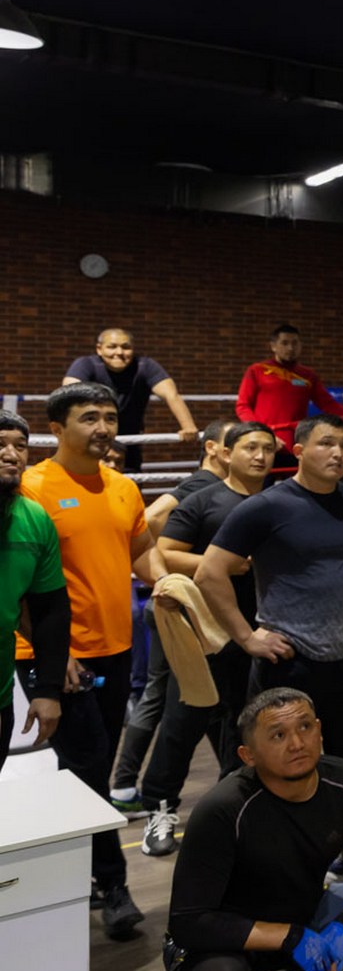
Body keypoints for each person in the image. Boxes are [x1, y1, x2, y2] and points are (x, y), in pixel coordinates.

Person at [15, 382, 162, 939]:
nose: (103, 427)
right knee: (90, 764)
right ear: (56, 429)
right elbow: (19, 583)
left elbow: (141, 550)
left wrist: (166, 582)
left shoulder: (123, 487)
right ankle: (113, 885)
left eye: (109, 417)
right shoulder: (31, 488)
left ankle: (71, 870)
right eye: (89, 418)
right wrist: (56, 654)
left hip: (117, 648)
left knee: (85, 767)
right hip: (57, 656)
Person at [162, 687, 343, 971]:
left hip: (303, 917)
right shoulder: (222, 809)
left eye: (305, 727)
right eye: (278, 735)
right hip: (232, 935)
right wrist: (290, 936)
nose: (297, 743)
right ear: (248, 755)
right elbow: (188, 922)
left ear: (319, 730)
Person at [195, 414, 343, 763]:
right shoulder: (266, 507)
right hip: (289, 661)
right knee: (284, 763)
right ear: (299, 451)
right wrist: (246, 637)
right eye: (326, 443)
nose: (338, 453)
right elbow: (209, 573)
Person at [137, 421, 278, 858]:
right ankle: (160, 808)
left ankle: (233, 807)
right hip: (204, 632)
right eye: (250, 447)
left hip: (263, 632)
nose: (260, 456)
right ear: (227, 454)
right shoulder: (204, 500)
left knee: (246, 723)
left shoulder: (281, 501)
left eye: (268, 449)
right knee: (183, 722)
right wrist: (220, 564)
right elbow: (165, 552)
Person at [112, 418, 237, 814]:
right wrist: (170, 574)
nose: (246, 451)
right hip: (179, 608)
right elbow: (149, 520)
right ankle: (131, 788)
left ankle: (130, 786)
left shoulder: (223, 490)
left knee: (202, 699)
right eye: (235, 442)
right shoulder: (203, 486)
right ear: (213, 449)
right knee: (173, 700)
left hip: (184, 607)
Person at [0, 410, 69, 773]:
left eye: (21, 445)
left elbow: (50, 611)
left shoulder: (35, 518)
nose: (12, 454)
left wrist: (47, 689)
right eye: (0, 444)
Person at [63, 327, 199, 471]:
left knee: (130, 479)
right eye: (112, 347)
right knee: (85, 478)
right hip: (92, 436)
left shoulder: (145, 366)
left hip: (130, 439)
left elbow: (171, 394)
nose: (119, 352)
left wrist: (188, 426)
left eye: (125, 347)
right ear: (99, 349)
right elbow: (69, 393)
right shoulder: (86, 364)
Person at [235, 324, 343, 468]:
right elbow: (243, 406)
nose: (290, 348)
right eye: (285, 343)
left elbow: (327, 403)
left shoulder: (308, 375)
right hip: (265, 444)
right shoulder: (257, 370)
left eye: (295, 343)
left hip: (297, 444)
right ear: (273, 346)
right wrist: (263, 434)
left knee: (300, 480)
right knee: (261, 481)